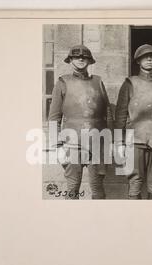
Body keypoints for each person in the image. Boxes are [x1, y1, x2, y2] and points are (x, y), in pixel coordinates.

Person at [114, 44, 152, 200]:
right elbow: (121, 114)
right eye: (145, 57)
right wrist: (119, 143)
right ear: (138, 61)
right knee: (135, 182)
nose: (149, 59)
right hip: (135, 140)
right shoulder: (130, 83)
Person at [47, 44, 110, 199]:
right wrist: (57, 147)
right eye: (77, 57)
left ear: (90, 61)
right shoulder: (63, 82)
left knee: (98, 189)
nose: (81, 59)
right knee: (72, 188)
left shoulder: (98, 82)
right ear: (70, 60)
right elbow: (54, 117)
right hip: (72, 143)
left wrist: (111, 142)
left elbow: (107, 114)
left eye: (85, 57)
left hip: (97, 143)